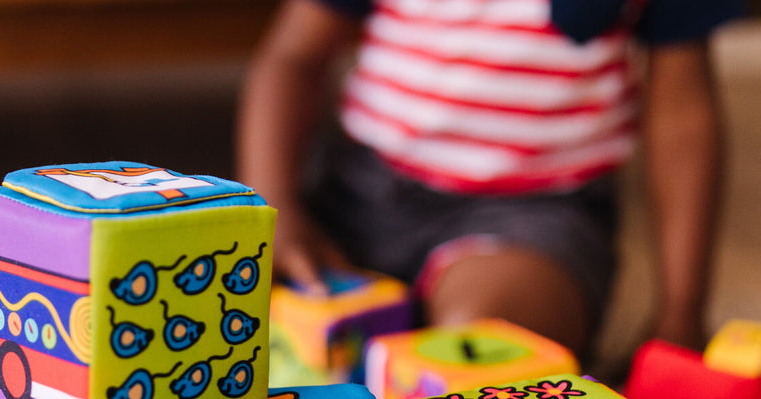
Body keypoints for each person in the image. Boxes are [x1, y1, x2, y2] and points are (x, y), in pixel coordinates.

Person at [237, 0, 742, 356]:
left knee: (476, 349)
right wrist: (273, 204)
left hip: (536, 213)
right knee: (256, 326)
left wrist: (681, 310)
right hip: (359, 192)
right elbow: (293, 57)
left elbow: (682, 118)